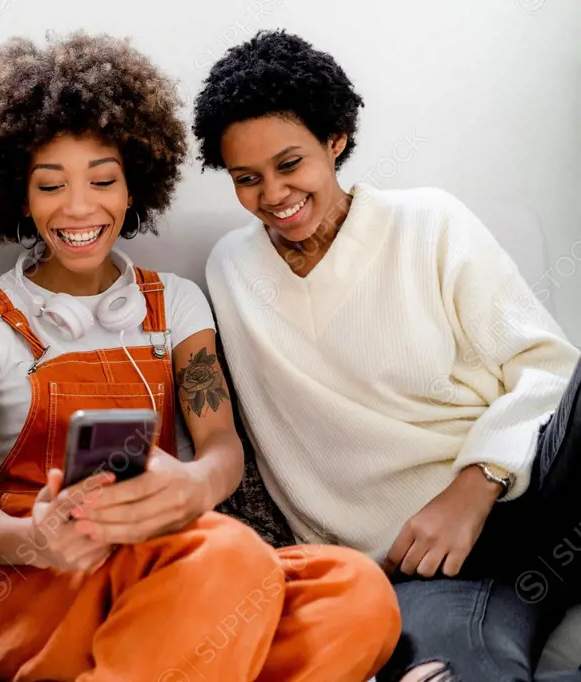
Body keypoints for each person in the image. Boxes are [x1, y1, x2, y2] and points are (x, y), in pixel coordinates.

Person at [0, 31, 401, 682]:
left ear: (134, 188)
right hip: (34, 579)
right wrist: (38, 540)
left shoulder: (176, 304)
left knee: (357, 590)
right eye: (50, 185)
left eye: (103, 180)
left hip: (175, 559)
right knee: (233, 560)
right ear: (19, 194)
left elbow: (221, 448)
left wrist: (192, 486)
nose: (78, 206)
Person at [194, 29, 581, 682]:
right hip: (421, 570)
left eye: (291, 165)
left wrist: (476, 481)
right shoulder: (230, 271)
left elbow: (547, 367)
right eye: (246, 179)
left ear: (335, 140)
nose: (273, 195)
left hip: (537, 490)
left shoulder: (429, 222)